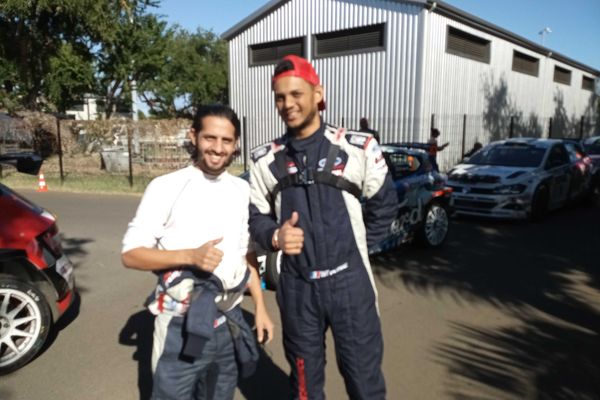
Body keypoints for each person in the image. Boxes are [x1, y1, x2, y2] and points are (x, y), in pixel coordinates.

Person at [248, 55, 398, 400]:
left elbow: (384, 204)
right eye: (280, 97)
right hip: (298, 288)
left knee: (365, 382)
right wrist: (275, 235)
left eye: (296, 94)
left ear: (318, 93)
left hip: (350, 284)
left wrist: (359, 247)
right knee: (304, 386)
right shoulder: (264, 161)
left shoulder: (358, 148)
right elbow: (255, 218)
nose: (288, 104)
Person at [121, 104, 274, 400]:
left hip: (228, 322)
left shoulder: (240, 190)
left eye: (226, 141)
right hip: (181, 326)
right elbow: (131, 254)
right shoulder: (166, 187)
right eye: (210, 138)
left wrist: (261, 307)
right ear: (194, 136)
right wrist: (189, 256)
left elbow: (246, 254)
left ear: (236, 144)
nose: (217, 148)